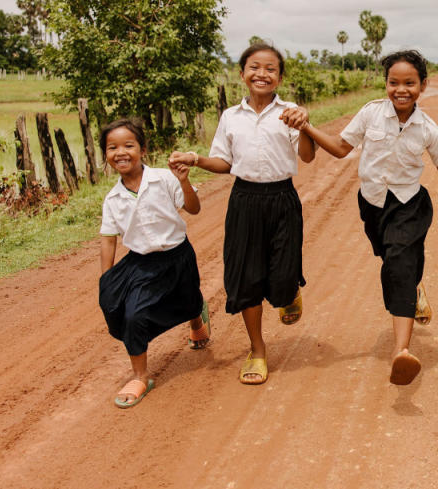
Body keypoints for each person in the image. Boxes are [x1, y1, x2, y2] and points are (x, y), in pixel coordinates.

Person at [300, 50, 438, 385]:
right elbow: (342, 148)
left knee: (399, 266)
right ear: (386, 83)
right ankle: (414, 287)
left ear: (423, 85)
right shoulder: (371, 114)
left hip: (410, 206)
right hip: (372, 204)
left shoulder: (428, 128)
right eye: (394, 82)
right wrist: (307, 127)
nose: (401, 90)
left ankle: (401, 351)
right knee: (391, 261)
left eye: (410, 83)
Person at [169, 42, 315, 385]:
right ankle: (258, 349)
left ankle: (289, 289)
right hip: (244, 200)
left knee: (282, 273)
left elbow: (307, 157)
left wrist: (305, 124)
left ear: (280, 77)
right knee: (247, 277)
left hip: (282, 199)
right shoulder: (230, 117)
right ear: (242, 73)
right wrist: (196, 159)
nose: (261, 74)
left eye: (270, 69)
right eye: (254, 67)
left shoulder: (291, 111)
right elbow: (225, 163)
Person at [98, 118, 209, 408]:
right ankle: (139, 376)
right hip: (141, 265)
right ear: (106, 155)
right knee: (133, 314)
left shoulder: (165, 179)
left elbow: (194, 209)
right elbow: (108, 238)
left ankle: (197, 320)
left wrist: (184, 182)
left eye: (128, 145)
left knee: (188, 299)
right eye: (112, 148)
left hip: (178, 255)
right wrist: (106, 278)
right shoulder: (112, 199)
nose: (120, 152)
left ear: (143, 149)